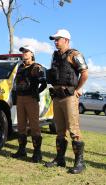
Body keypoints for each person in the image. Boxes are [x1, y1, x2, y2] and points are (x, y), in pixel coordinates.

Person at [45, 29, 88, 174]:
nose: (55, 41)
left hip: (69, 97)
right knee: (59, 131)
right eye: (55, 39)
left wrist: (78, 89)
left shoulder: (74, 54)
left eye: (58, 39)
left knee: (74, 130)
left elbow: (84, 73)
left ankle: (80, 163)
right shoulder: (55, 56)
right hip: (57, 96)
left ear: (66, 40)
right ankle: (60, 159)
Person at [12, 45, 47, 163]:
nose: (24, 53)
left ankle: (37, 152)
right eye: (23, 52)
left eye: (27, 51)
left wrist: (35, 93)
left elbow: (44, 83)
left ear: (32, 53)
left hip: (31, 100)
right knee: (21, 126)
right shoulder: (20, 67)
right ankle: (22, 150)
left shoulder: (36, 67)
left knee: (34, 126)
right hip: (20, 99)